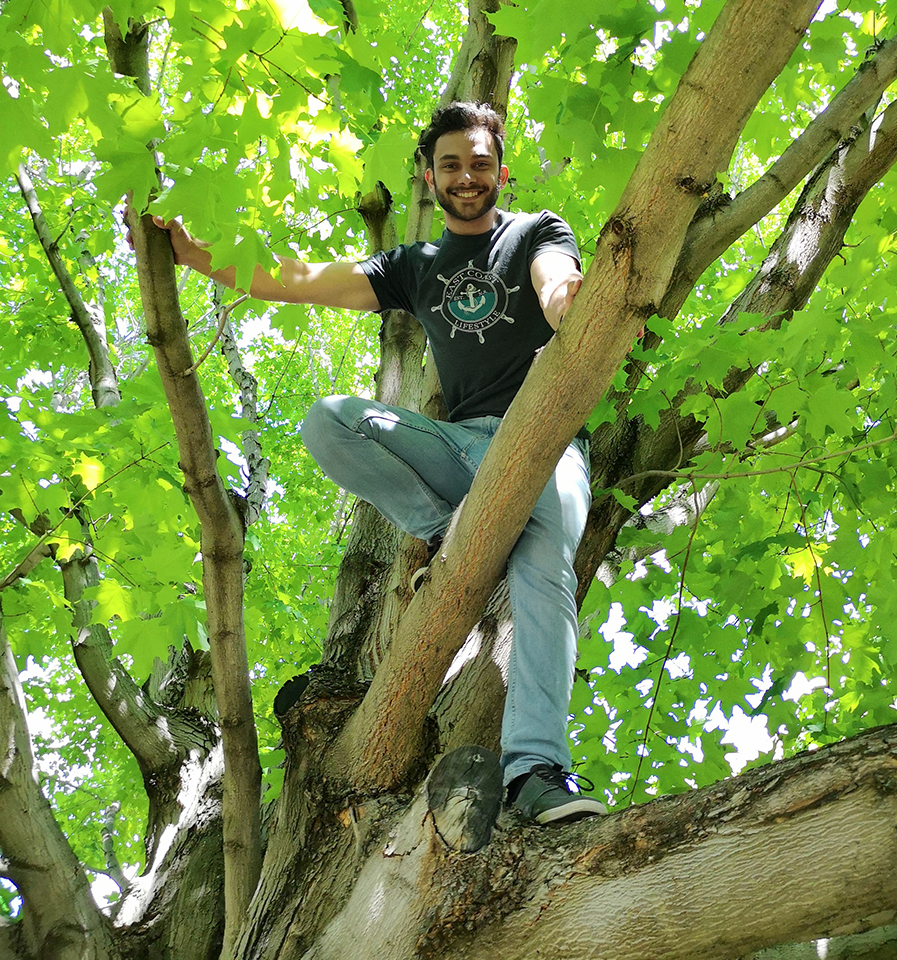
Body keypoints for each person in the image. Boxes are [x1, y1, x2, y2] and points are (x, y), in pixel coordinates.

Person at [152, 101, 605, 825]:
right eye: (451, 164)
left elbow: (556, 276)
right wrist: (196, 254)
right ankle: (450, 529)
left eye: (480, 163)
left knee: (544, 576)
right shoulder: (412, 265)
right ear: (429, 178)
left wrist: (565, 299)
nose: (466, 176)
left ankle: (536, 771)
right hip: (460, 450)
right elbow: (301, 279)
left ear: (501, 171)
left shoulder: (534, 231)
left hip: (545, 446)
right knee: (330, 419)